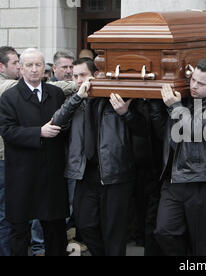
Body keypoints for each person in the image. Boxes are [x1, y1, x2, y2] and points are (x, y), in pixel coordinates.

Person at [53, 57, 143, 256]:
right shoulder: (75, 100)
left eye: (82, 75)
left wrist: (125, 113)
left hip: (115, 174)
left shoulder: (117, 98)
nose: (78, 80)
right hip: (85, 173)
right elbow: (57, 122)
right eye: (75, 76)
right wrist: (77, 97)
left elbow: (143, 131)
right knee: (85, 225)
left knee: (114, 231)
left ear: (96, 75)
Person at [0, 48, 69, 256]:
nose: (33, 70)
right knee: (19, 228)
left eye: (38, 65)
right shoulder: (9, 97)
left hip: (51, 171)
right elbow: (8, 131)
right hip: (22, 172)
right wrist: (39, 132)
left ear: (44, 68)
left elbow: (65, 125)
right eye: (29, 65)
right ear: (20, 69)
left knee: (55, 228)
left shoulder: (55, 93)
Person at [154, 58, 206, 256]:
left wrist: (175, 106)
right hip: (175, 180)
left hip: (203, 182)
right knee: (164, 231)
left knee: (203, 243)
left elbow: (196, 130)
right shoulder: (184, 99)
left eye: (201, 83)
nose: (193, 85)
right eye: (193, 79)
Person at [0, 46, 20, 256]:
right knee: (5, 214)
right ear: (2, 66)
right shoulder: (8, 86)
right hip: (3, 159)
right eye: (15, 63)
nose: (20, 67)